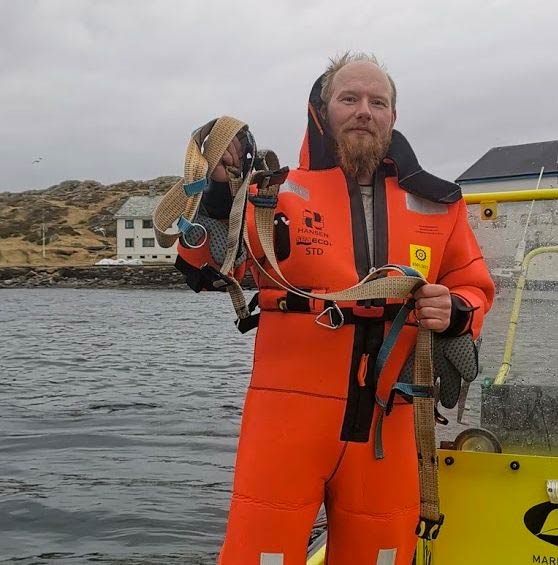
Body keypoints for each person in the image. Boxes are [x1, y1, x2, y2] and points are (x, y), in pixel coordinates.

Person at [175, 52, 494, 565]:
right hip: (284, 424)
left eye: (378, 101)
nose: (364, 110)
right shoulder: (270, 196)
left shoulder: (441, 204)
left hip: (389, 424)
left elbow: (474, 286)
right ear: (323, 113)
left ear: (392, 116)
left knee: (384, 555)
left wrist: (455, 309)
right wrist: (217, 193)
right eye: (349, 99)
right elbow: (206, 270)